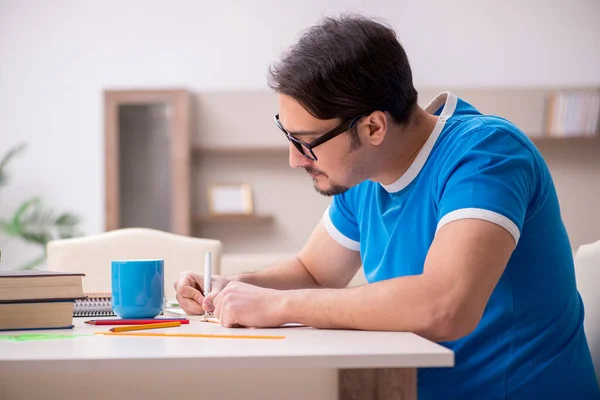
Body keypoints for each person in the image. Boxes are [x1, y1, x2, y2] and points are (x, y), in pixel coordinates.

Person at [174, 13, 600, 399]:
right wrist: (232, 288)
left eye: (306, 143)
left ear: (374, 126)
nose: (295, 159)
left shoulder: (486, 155)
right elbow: (314, 273)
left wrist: (278, 305)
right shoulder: (365, 174)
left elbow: (446, 305)